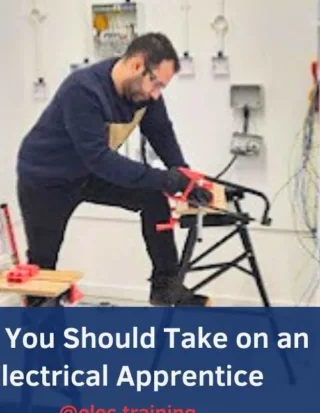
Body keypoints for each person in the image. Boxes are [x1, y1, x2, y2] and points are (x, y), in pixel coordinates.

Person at [15, 32, 213, 306]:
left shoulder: (146, 96)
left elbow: (161, 133)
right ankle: (41, 343)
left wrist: (185, 178)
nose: (156, 94)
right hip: (46, 178)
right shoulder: (83, 90)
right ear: (136, 66)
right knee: (44, 266)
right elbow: (100, 160)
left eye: (162, 89)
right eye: (155, 84)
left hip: (87, 172)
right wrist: (165, 179)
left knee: (153, 198)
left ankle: (167, 287)